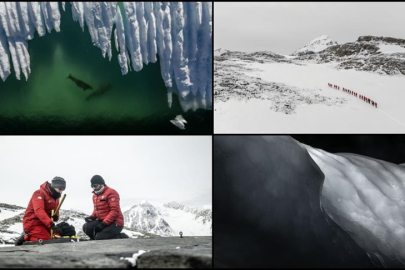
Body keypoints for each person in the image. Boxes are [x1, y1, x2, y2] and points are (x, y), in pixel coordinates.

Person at [18, 177, 66, 244]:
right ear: (54, 186)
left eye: (62, 190)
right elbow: (39, 210)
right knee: (46, 240)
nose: (61, 192)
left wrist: (56, 217)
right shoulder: (39, 193)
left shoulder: (56, 198)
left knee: (57, 238)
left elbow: (56, 212)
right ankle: (26, 237)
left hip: (46, 224)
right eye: (60, 189)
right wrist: (51, 224)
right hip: (33, 223)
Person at [82, 175, 128, 240]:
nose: (93, 188)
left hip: (115, 223)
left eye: (95, 185)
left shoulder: (111, 193)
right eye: (92, 186)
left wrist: (103, 224)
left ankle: (122, 236)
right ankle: (94, 241)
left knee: (101, 238)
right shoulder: (95, 195)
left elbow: (114, 211)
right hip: (103, 221)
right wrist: (92, 217)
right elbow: (97, 209)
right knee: (86, 227)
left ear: (101, 184)